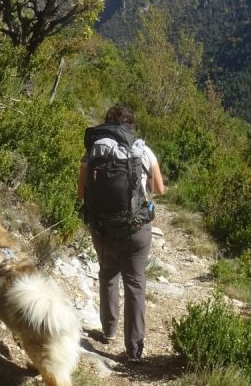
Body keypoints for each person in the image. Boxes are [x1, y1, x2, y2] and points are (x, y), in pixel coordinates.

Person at [77, 104, 164, 362]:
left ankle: (109, 330)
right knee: (135, 285)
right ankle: (134, 351)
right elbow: (159, 188)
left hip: (102, 228)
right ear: (129, 125)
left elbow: (82, 193)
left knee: (108, 274)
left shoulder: (94, 150)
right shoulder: (141, 149)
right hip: (136, 230)